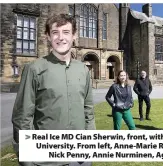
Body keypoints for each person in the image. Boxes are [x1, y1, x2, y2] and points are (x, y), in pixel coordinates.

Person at [11, 14, 95, 166]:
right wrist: (27, 159)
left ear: (74, 35)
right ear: (48, 37)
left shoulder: (83, 70)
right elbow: (22, 117)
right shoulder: (34, 69)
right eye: (55, 32)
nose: (61, 37)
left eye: (66, 32)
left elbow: (88, 111)